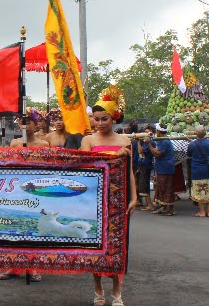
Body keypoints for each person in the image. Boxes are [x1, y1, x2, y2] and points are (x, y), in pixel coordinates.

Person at [79, 85, 138, 306]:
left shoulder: (125, 141)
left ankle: (116, 293)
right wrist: (112, 156)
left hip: (119, 200)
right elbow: (86, 166)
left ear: (113, 118)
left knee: (117, 247)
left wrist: (134, 197)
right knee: (96, 246)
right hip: (93, 199)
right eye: (96, 119)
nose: (100, 123)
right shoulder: (89, 141)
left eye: (105, 119)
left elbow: (130, 173)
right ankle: (97, 290)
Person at [0, 107, 49, 283]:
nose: (24, 125)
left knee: (34, 228)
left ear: (36, 125)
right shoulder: (14, 144)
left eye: (28, 122)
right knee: (16, 227)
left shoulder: (44, 146)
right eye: (21, 122)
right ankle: (13, 265)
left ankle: (32, 266)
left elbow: (47, 171)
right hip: (18, 192)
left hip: (36, 193)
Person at [146, 123, 176, 216]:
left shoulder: (164, 141)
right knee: (161, 188)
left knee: (166, 188)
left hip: (166, 168)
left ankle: (170, 209)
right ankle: (163, 207)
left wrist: (149, 145)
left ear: (159, 131)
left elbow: (158, 154)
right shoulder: (161, 140)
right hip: (162, 168)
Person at [187, 125, 209, 217]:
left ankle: (202, 211)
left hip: (196, 169)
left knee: (199, 190)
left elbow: (189, 153)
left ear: (195, 134)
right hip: (207, 169)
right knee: (208, 189)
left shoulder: (192, 144)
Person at [137, 126, 155, 211]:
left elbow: (140, 152)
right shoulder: (145, 142)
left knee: (145, 185)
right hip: (142, 164)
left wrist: (137, 142)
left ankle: (150, 205)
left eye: (148, 132)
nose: (146, 133)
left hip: (146, 165)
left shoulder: (150, 142)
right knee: (143, 185)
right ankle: (149, 204)